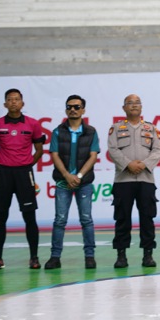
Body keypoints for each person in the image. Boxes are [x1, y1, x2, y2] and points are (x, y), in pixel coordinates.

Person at [0, 89, 46, 271]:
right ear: (5, 104)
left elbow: (39, 150)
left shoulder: (33, 124)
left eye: (17, 99)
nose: (13, 102)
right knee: (0, 217)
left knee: (30, 217)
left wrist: (26, 164)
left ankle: (34, 258)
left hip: (24, 173)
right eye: (10, 99)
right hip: (4, 173)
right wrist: (6, 163)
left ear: (22, 103)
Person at [107, 94, 160, 269]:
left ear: (141, 107)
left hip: (146, 179)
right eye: (130, 103)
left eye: (137, 103)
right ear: (124, 108)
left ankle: (148, 255)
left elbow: (157, 150)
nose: (134, 105)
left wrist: (144, 164)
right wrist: (128, 164)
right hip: (123, 180)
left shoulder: (151, 128)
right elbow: (112, 149)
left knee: (147, 218)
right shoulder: (116, 128)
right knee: (122, 218)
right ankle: (121, 255)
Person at [45, 95, 100, 270]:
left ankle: (89, 257)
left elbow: (93, 156)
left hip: (84, 182)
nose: (73, 110)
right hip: (63, 182)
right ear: (65, 110)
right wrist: (67, 176)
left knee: (86, 220)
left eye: (77, 107)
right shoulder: (57, 131)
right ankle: (55, 257)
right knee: (60, 220)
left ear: (83, 110)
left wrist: (79, 176)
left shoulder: (91, 131)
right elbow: (54, 155)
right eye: (69, 107)